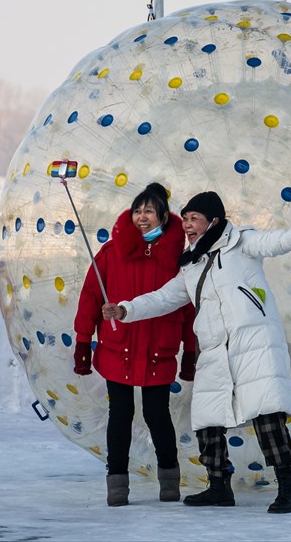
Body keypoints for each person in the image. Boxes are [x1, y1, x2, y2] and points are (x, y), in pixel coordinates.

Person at [103, 191, 291, 514]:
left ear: (214, 220)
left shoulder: (242, 243)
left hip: (254, 344)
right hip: (213, 351)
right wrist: (125, 310)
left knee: (267, 416)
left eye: (193, 218)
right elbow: (162, 298)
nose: (187, 226)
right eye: (184, 220)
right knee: (208, 419)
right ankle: (219, 486)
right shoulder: (191, 266)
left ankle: (288, 489)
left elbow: (272, 242)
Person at [73, 183, 196, 507]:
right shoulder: (111, 254)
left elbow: (187, 307)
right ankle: (117, 486)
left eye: (150, 211)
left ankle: (169, 480)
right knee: (120, 413)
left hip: (159, 349)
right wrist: (83, 342)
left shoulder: (177, 260)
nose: (143, 217)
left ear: (163, 218)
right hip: (118, 347)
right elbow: (90, 298)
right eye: (138, 210)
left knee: (158, 415)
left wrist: (191, 351)